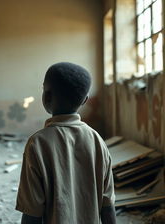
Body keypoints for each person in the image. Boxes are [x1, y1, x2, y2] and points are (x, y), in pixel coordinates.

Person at [16, 62, 116, 224]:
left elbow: (31, 211)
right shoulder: (97, 140)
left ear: (47, 96)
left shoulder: (37, 144)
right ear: (85, 100)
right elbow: (108, 205)